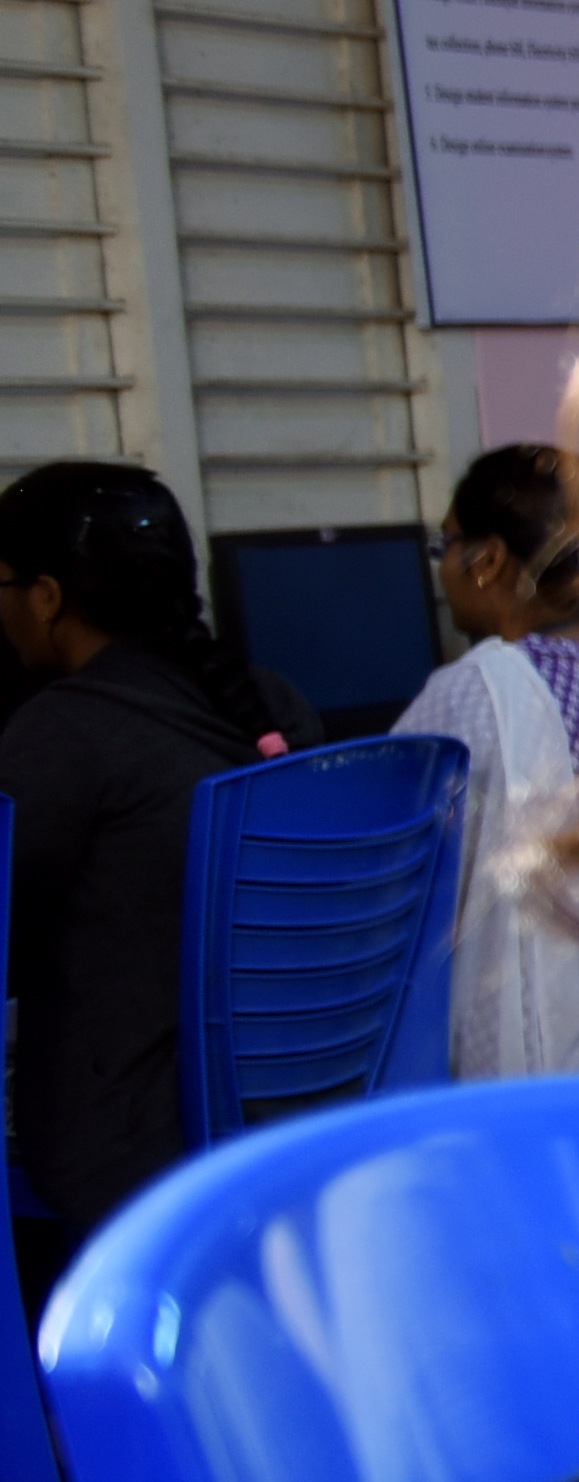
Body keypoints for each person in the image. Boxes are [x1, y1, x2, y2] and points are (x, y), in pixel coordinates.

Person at [0, 461, 309, 1297]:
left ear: (47, 597)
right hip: (290, 1112)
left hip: (132, 1144)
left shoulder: (63, 732)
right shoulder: (270, 703)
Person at [390, 445, 579, 1076]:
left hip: (574, 1053)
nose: (441, 568)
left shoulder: (481, 688)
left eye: (446, 545)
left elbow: (378, 853)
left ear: (490, 560)